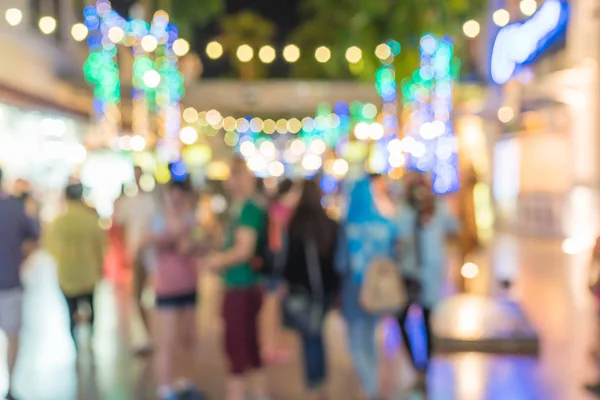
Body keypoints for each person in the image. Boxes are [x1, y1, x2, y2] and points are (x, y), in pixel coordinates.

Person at [203, 158, 268, 400]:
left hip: (242, 286)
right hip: (243, 284)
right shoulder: (239, 208)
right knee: (248, 345)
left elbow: (244, 249)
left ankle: (239, 394)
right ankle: (258, 393)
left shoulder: (248, 209)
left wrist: (216, 261)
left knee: (237, 347)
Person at [338, 175, 399, 400]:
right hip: (378, 290)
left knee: (356, 340)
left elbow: (341, 262)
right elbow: (394, 255)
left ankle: (369, 385)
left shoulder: (349, 225)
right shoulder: (385, 223)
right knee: (371, 337)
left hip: (354, 290)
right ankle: (371, 382)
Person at [280, 179, 340, 400]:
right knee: (317, 334)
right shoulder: (329, 224)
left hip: (303, 291)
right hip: (324, 291)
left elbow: (289, 261)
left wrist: (287, 284)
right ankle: (320, 382)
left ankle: (313, 384)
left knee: (309, 337)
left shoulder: (296, 224)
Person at [396, 171, 458, 383]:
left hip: (430, 275)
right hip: (409, 274)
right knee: (402, 318)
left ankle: (425, 368)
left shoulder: (439, 209)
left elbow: (454, 228)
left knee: (427, 320)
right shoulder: (405, 212)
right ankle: (416, 363)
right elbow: (399, 238)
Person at [149, 177, 205, 400]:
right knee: (168, 339)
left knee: (188, 337)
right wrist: (167, 239)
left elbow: (201, 244)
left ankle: (186, 381)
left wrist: (193, 243)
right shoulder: (158, 221)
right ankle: (165, 387)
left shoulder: (191, 219)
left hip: (189, 284)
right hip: (167, 287)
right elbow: (144, 242)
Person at [45, 183, 106, 349]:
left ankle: (76, 343)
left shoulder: (59, 222)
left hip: (67, 274)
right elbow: (100, 246)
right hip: (88, 272)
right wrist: (100, 267)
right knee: (91, 306)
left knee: (71, 310)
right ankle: (91, 338)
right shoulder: (91, 219)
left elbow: (50, 247)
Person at [0, 168, 39, 400]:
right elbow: (33, 239)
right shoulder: (15, 209)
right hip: (10, 283)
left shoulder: (14, 208)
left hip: (10, 282)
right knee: (12, 336)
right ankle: (10, 386)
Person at [115, 166, 157, 355]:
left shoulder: (151, 201)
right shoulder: (128, 202)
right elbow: (121, 226)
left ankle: (152, 334)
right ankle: (144, 336)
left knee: (150, 296)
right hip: (136, 253)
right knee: (137, 297)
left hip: (151, 253)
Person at [261, 178, 297, 364]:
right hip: (274, 268)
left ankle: (273, 345)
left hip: (275, 268)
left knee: (274, 309)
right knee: (271, 308)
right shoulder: (279, 213)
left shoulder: (277, 210)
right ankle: (269, 346)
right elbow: (277, 245)